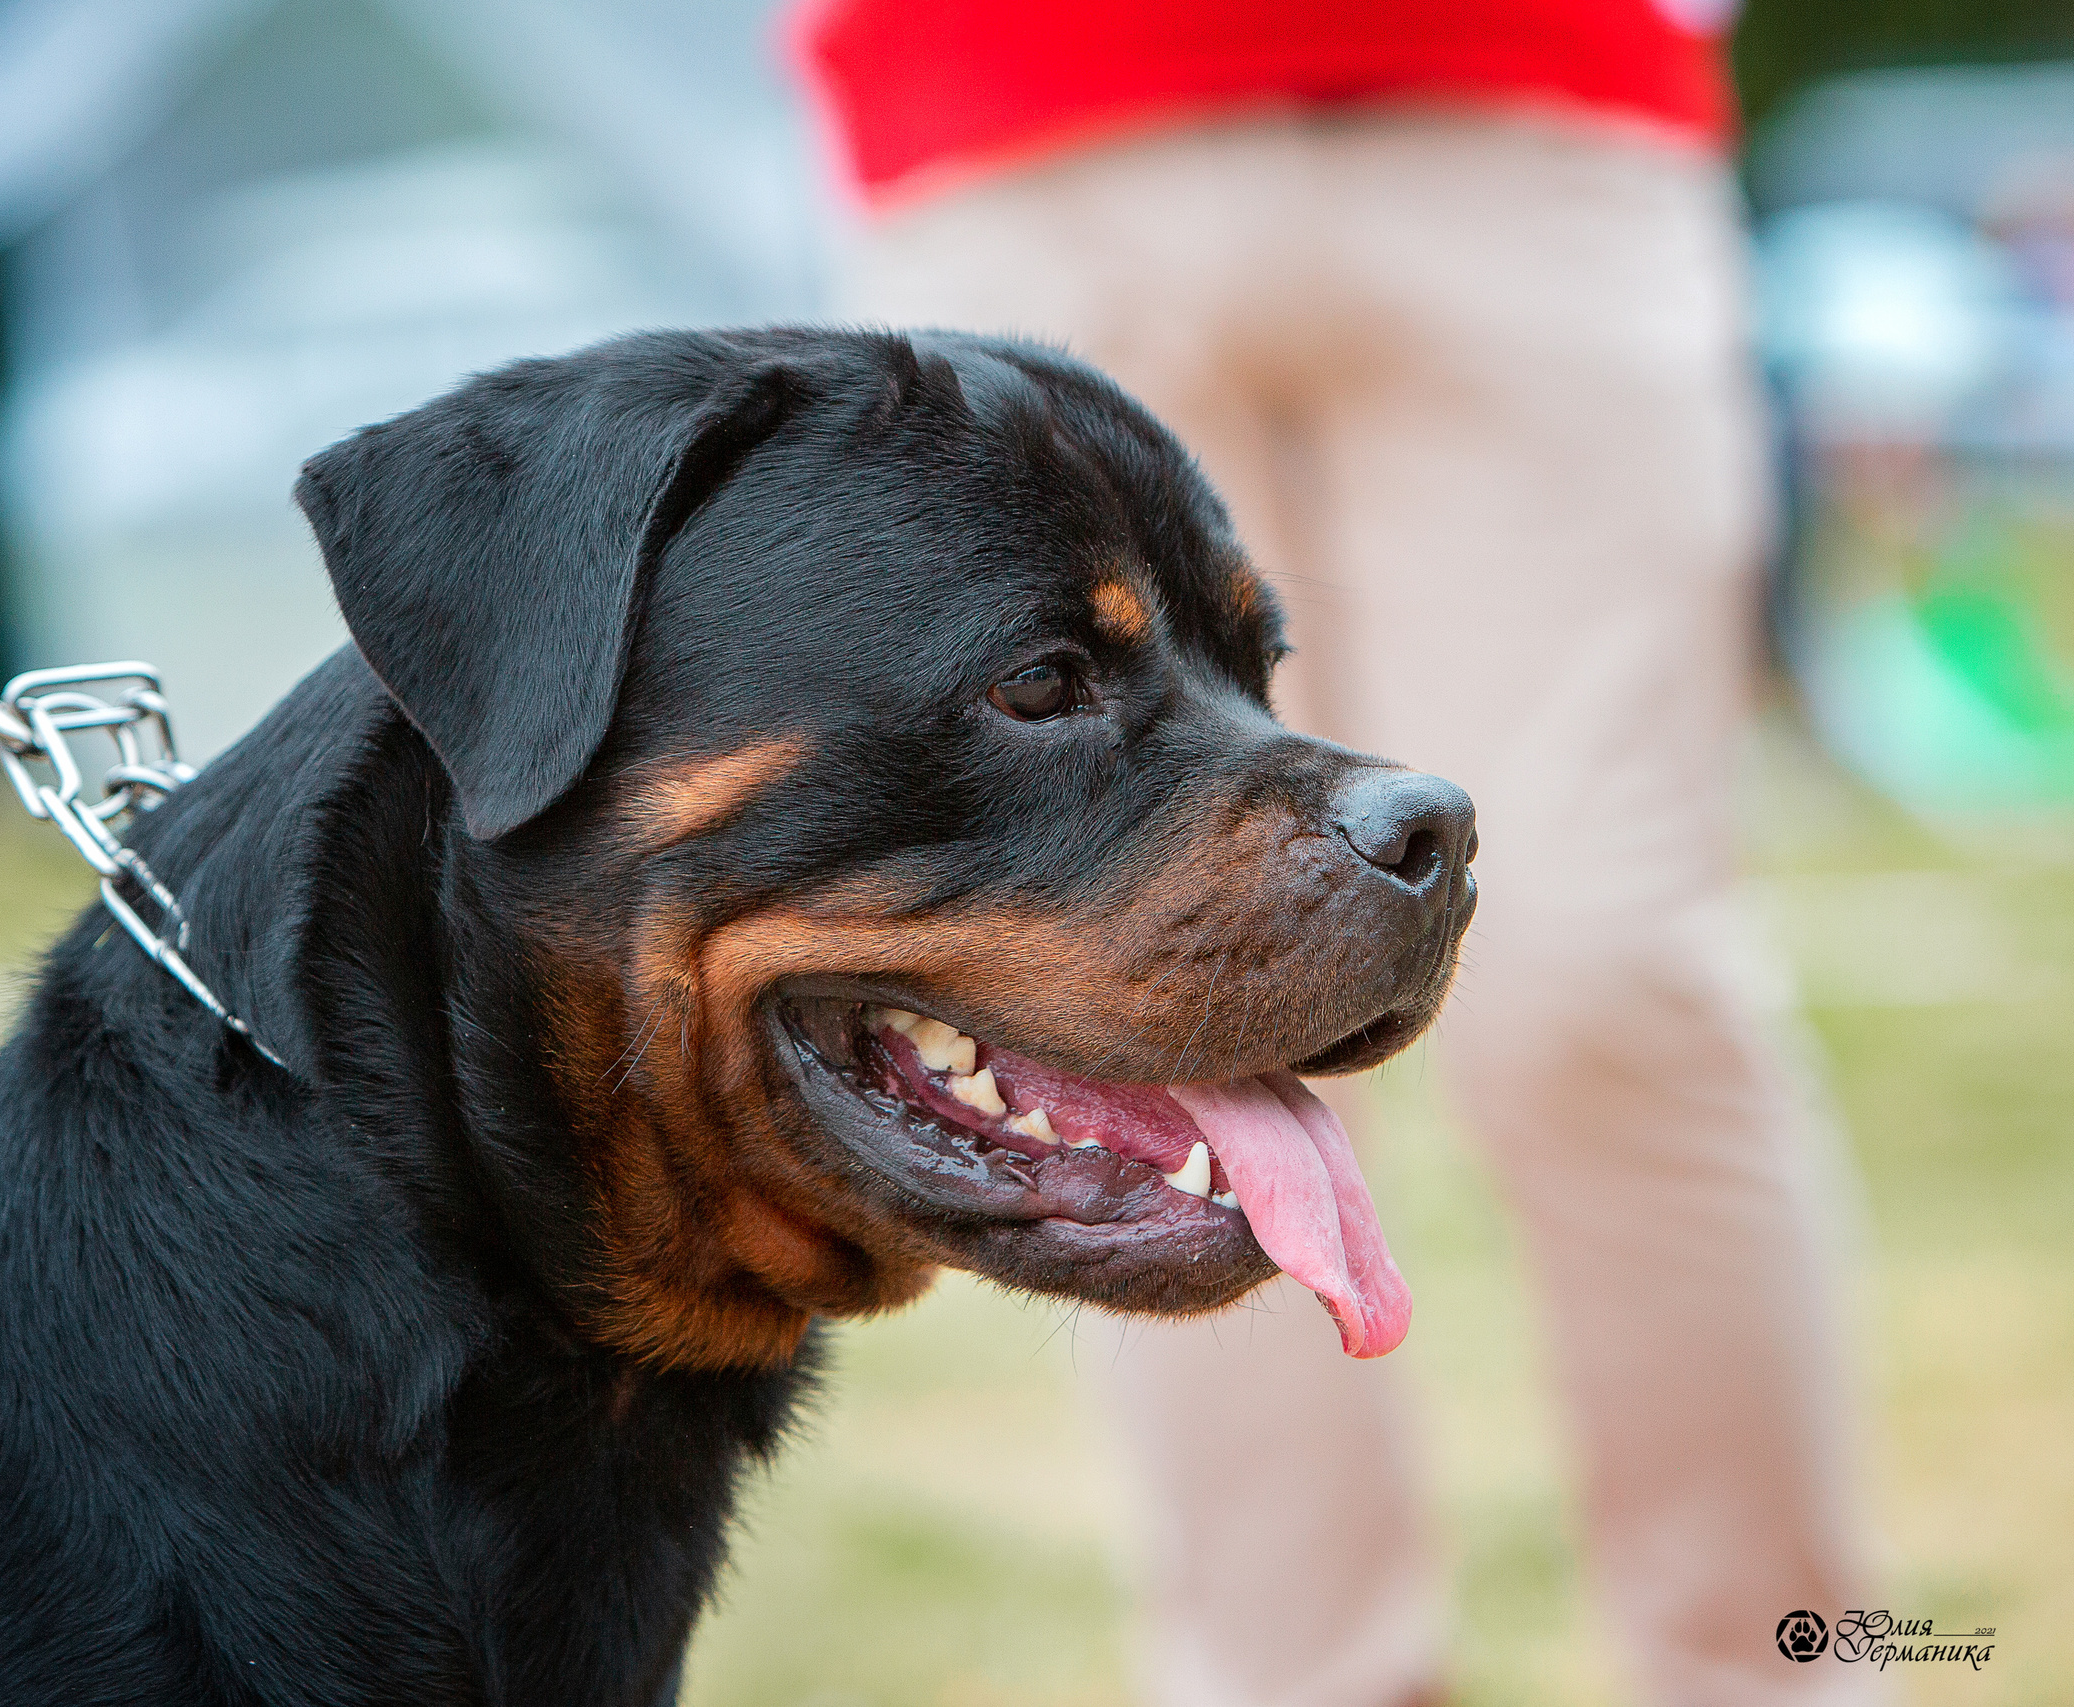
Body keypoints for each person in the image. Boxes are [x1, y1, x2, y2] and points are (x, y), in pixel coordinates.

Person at [790, 3, 1884, 1703]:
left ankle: (1785, 1673)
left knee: (1611, 981)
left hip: (1534, 118)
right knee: (1148, 1014)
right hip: (1016, 128)